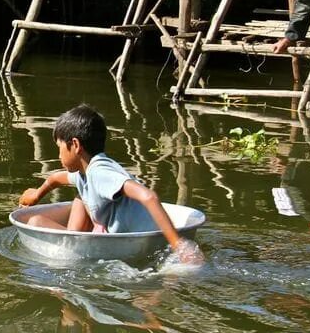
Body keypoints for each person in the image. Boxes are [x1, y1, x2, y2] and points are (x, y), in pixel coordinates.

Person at [19, 104, 204, 264]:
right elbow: (56, 179)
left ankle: (73, 246)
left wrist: (178, 245)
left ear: (75, 145)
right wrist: (37, 194)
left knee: (35, 221)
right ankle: (75, 239)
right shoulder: (86, 170)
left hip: (145, 244)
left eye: (59, 148)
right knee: (80, 196)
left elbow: (149, 196)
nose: (59, 156)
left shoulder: (100, 172)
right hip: (133, 241)